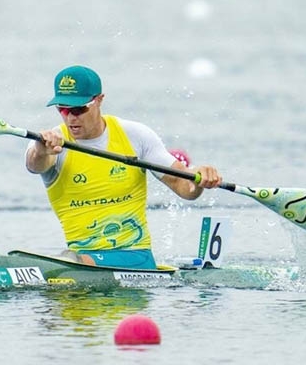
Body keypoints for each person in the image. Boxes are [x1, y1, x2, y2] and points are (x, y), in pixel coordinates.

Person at [25, 65, 222, 270]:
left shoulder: (135, 135)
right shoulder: (48, 144)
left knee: (70, 263)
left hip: (136, 259)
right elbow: (35, 164)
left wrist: (199, 179)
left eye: (79, 109)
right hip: (82, 262)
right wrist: (41, 149)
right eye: (63, 109)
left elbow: (184, 187)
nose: (70, 118)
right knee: (72, 263)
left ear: (99, 100)